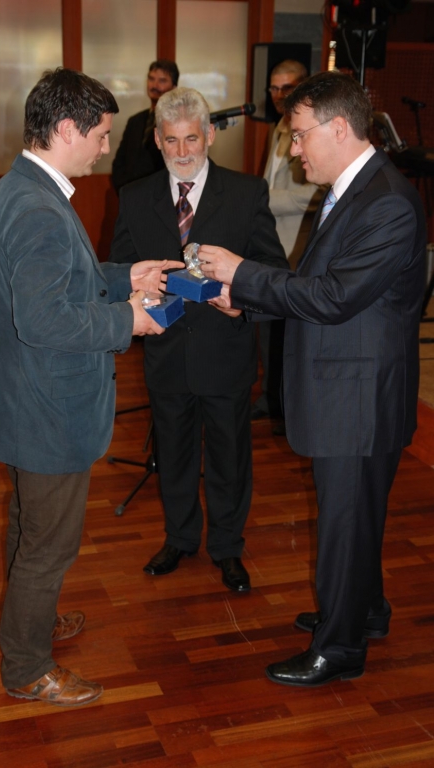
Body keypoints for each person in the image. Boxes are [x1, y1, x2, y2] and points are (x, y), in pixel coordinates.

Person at [199, 71, 426, 686]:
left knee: (346, 521)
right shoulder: (355, 190)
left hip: (359, 398)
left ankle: (340, 648)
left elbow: (333, 297)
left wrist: (242, 273)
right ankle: (363, 610)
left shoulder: (387, 202)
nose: (293, 149)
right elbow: (314, 287)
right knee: (355, 516)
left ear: (339, 128)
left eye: (299, 136)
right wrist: (247, 302)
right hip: (351, 387)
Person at [0, 67, 183, 707]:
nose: (105, 148)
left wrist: (124, 276)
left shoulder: (20, 188)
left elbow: (61, 279)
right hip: (48, 408)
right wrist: (129, 320)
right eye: (101, 135)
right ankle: (27, 666)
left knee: (29, 525)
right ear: (67, 129)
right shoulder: (38, 208)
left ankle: (31, 621)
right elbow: (44, 319)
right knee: (49, 544)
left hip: (23, 398)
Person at [109, 87, 287, 592]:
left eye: (192, 138)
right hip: (166, 353)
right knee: (174, 455)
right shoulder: (135, 196)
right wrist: (138, 293)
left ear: (210, 134)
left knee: (230, 457)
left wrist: (241, 301)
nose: (183, 151)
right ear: (157, 141)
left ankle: (227, 547)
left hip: (226, 349)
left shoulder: (247, 192)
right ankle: (180, 538)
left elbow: (272, 269)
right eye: (171, 141)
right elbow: (119, 267)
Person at [252, 59, 323, 428]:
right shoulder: (276, 128)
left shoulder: (310, 131)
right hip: (270, 244)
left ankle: (289, 408)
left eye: (287, 88)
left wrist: (260, 199)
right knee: (267, 329)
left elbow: (314, 194)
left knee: (291, 334)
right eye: (274, 88)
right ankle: (271, 399)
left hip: (298, 245)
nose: (279, 95)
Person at [111, 59, 179, 192]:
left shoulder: (177, 122)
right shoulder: (134, 121)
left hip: (161, 195)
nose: (155, 85)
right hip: (130, 194)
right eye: (151, 79)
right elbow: (119, 163)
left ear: (174, 87)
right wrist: (124, 190)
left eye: (162, 81)